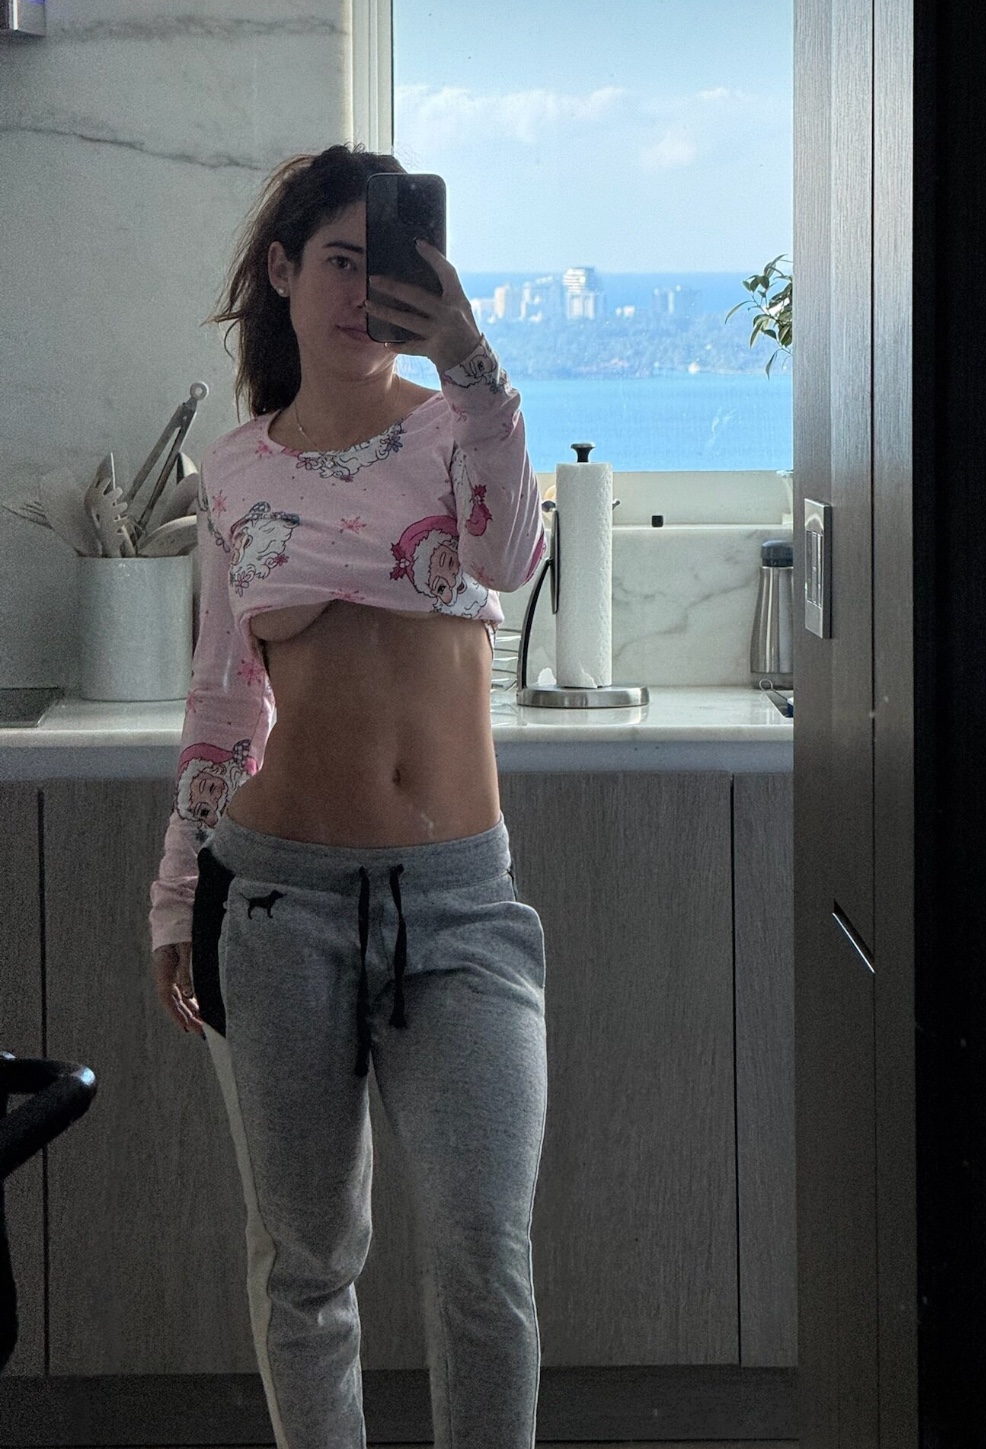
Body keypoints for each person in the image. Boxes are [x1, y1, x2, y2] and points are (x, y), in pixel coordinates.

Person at [147, 144, 550, 1449]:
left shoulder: (459, 428)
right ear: (282, 271)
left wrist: (473, 363)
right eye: (337, 261)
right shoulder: (235, 473)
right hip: (276, 904)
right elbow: (224, 703)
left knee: (484, 1255)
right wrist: (176, 895)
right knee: (307, 1264)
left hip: (460, 909)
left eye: (386, 267)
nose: (362, 294)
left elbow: (508, 556)